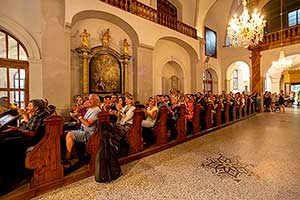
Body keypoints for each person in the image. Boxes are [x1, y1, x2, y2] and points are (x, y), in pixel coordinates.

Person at [0, 99, 49, 195]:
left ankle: (11, 171)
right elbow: (29, 126)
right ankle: (14, 168)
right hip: (29, 136)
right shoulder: (40, 113)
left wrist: (17, 129)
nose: (27, 107)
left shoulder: (38, 115)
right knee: (6, 137)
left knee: (4, 143)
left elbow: (32, 133)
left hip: (33, 140)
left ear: (36, 108)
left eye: (29, 106)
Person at [62, 94, 101, 166]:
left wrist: (79, 117)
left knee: (70, 135)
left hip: (89, 133)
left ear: (96, 101)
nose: (88, 101)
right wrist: (79, 112)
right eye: (88, 99)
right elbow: (81, 117)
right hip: (82, 130)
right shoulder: (90, 109)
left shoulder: (96, 111)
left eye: (91, 99)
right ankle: (71, 154)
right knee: (63, 133)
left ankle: (67, 159)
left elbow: (88, 124)